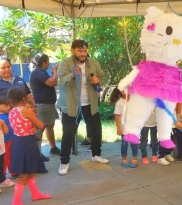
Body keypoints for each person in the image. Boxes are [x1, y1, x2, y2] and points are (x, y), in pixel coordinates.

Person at [56, 39, 108, 176]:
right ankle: (64, 162)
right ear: (72, 50)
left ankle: (96, 154)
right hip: (72, 105)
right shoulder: (65, 63)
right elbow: (60, 81)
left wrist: (98, 80)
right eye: (80, 50)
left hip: (90, 103)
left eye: (85, 50)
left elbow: (102, 76)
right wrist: (72, 75)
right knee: (68, 134)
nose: (83, 53)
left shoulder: (94, 63)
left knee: (96, 130)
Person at [8, 87, 52, 205]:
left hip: (18, 142)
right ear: (24, 98)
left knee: (30, 170)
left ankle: (35, 193)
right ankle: (15, 202)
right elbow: (40, 125)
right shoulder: (26, 111)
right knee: (24, 174)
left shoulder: (11, 112)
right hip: (27, 143)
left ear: (10, 100)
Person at [29, 53, 61, 158]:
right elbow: (52, 83)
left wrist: (52, 73)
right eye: (48, 62)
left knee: (50, 126)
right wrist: (55, 71)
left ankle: (53, 148)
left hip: (48, 104)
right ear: (44, 62)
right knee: (40, 128)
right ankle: (38, 153)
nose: (49, 64)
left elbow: (48, 82)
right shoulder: (38, 72)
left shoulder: (42, 72)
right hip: (42, 105)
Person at [110, 88, 139, 168]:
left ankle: (134, 158)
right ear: (123, 92)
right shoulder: (119, 103)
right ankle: (124, 159)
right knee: (124, 144)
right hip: (124, 128)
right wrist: (118, 128)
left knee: (134, 143)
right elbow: (117, 116)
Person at [0, 110, 14, 194]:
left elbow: (6, 132)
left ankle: (2, 180)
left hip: (1, 150)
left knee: (0, 167)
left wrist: (3, 124)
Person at [0, 95, 14, 176]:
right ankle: (2, 174)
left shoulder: (11, 114)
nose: (8, 107)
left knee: (11, 156)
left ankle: (13, 171)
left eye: (9, 105)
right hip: (3, 141)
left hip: (12, 139)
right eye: (5, 105)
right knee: (4, 158)